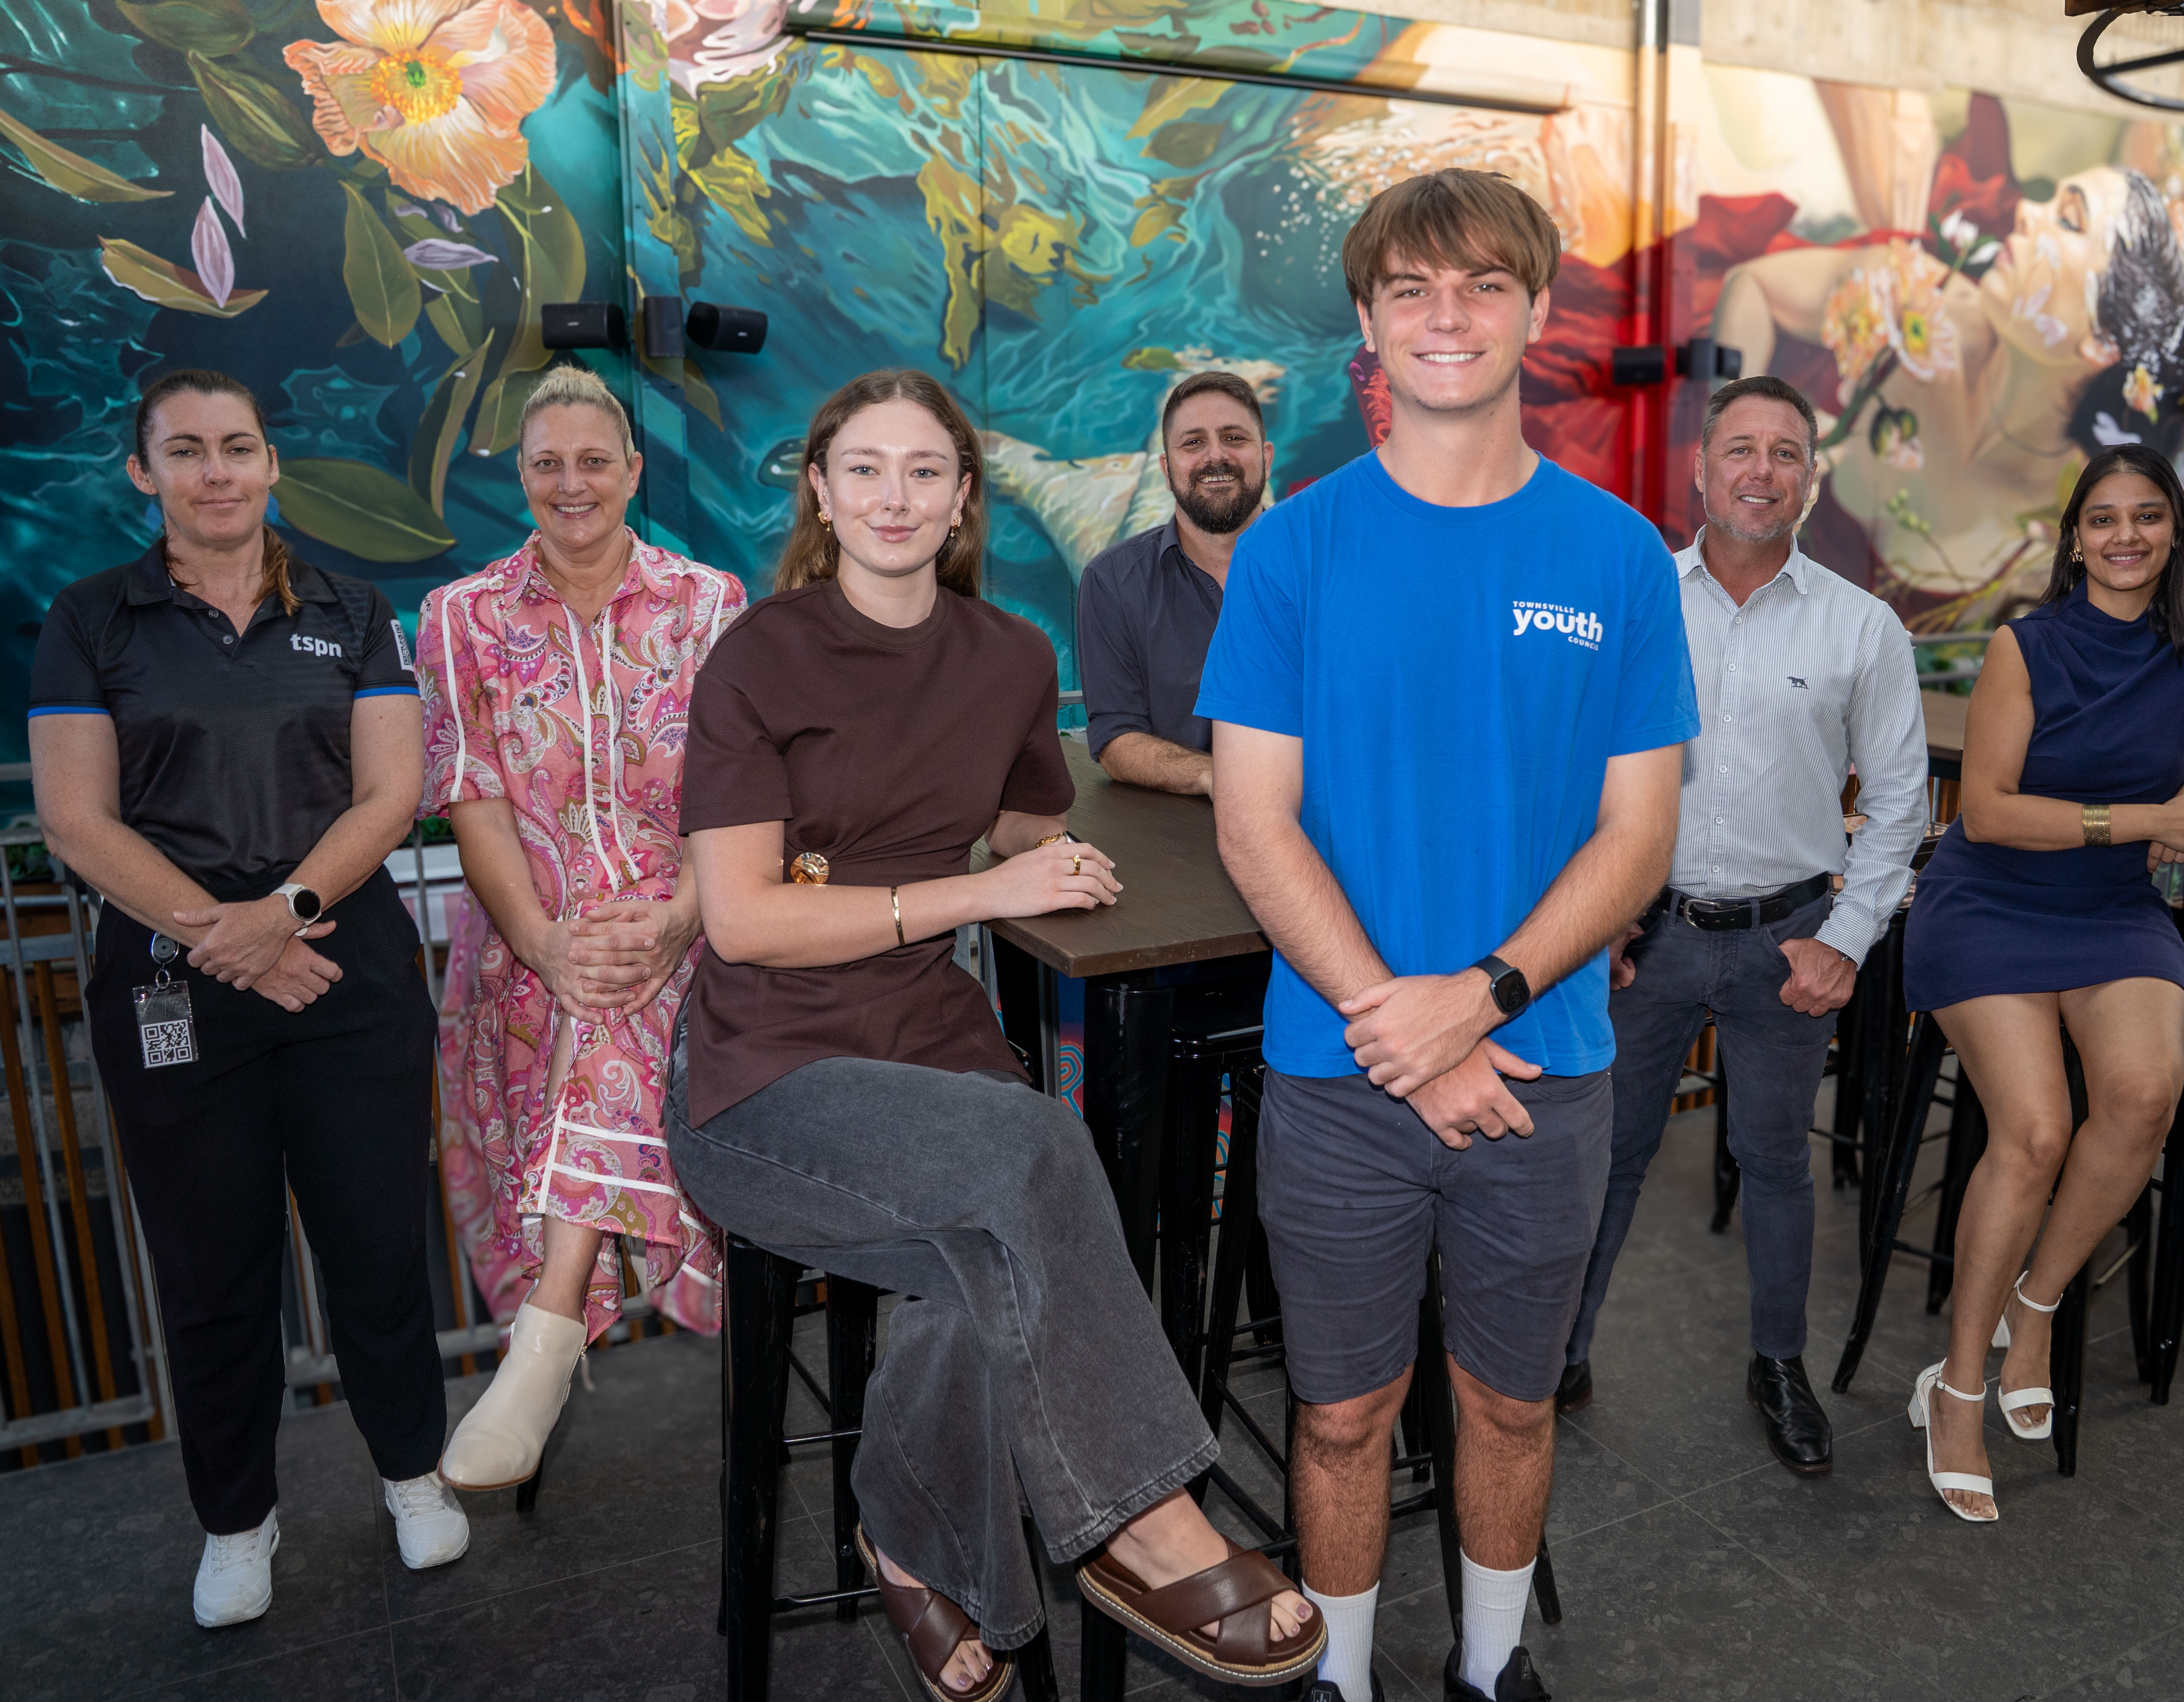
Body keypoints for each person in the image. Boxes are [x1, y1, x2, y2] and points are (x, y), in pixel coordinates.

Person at [668, 368, 1324, 1701]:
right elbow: (739, 920)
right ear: (820, 491)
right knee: (1036, 1157)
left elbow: (1025, 808)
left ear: (965, 497)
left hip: (929, 1040)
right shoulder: (757, 655)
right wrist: (981, 889)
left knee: (998, 1261)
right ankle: (1145, 1519)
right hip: (766, 1078)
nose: (893, 497)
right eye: (863, 469)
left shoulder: (1012, 654)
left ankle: (904, 1540)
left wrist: (1058, 852)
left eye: (923, 471)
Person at [1201, 170, 1697, 1702]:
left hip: (1540, 1067)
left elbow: (1637, 836)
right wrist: (1401, 1030)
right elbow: (1252, 823)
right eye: (1410, 289)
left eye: (1481, 284)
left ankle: (1490, 1668)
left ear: (1535, 311)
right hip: (1341, 1078)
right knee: (1344, 1413)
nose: (1446, 315)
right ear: (1365, 322)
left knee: (1510, 1400)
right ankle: (1339, 1678)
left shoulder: (1615, 558)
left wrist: (1476, 999)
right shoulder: (1292, 551)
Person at [28, 369, 468, 1627]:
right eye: (186, 450)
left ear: (272, 464)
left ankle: (411, 1472)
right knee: (214, 1270)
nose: (214, 471)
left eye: (237, 447)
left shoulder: (351, 604)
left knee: (378, 1246)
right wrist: (224, 936)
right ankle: (236, 1519)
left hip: (343, 968)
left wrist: (282, 917)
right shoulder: (91, 617)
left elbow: (389, 795)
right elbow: (73, 815)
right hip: (174, 981)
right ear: (144, 470)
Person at [1562, 374, 1929, 1473]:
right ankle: (1556, 1353)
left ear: (1809, 477)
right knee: (1606, 1154)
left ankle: (1778, 1361)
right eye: (1740, 449)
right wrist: (1596, 916)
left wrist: (1845, 937)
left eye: (1784, 452)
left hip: (1788, 940)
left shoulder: (1862, 626)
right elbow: (1577, 768)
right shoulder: (1638, 598)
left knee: (1773, 1159)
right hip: (1642, 937)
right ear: (1700, 467)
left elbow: (1903, 800)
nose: (1760, 470)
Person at [1901, 443, 2184, 1523]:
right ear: (2074, 537)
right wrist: (2152, 820)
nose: (2125, 537)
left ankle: (2037, 1301)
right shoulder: (2027, 643)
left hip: (2108, 908)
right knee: (2036, 1130)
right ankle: (1958, 1385)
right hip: (1991, 901)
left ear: (2174, 531)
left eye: (2146, 516)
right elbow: (1990, 808)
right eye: (2102, 519)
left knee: (2145, 1093)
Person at [417, 366, 746, 1492]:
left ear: (633, 473)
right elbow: (475, 802)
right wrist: (553, 945)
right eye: (548, 462)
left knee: (625, 984)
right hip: (528, 955)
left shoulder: (709, 604)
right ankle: (554, 1326)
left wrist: (674, 920)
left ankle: (547, 1335)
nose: (573, 483)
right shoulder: (460, 618)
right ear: (520, 475)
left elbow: (736, 799)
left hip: (697, 933)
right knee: (598, 983)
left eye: (593, 461)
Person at [1713, 165, 2184, 608]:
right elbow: (1751, 285)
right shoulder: (1918, 300)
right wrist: (1744, 457)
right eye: (2047, 198)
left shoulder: (2069, 518)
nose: (2027, 211)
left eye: (2068, 220)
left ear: (2101, 341)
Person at [1076, 369, 1274, 796]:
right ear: (1167, 469)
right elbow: (1116, 738)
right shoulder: (1111, 583)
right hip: (1177, 839)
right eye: (1193, 442)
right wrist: (1214, 776)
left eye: (1235, 438)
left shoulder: (1328, 569)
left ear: (1267, 457)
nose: (1215, 456)